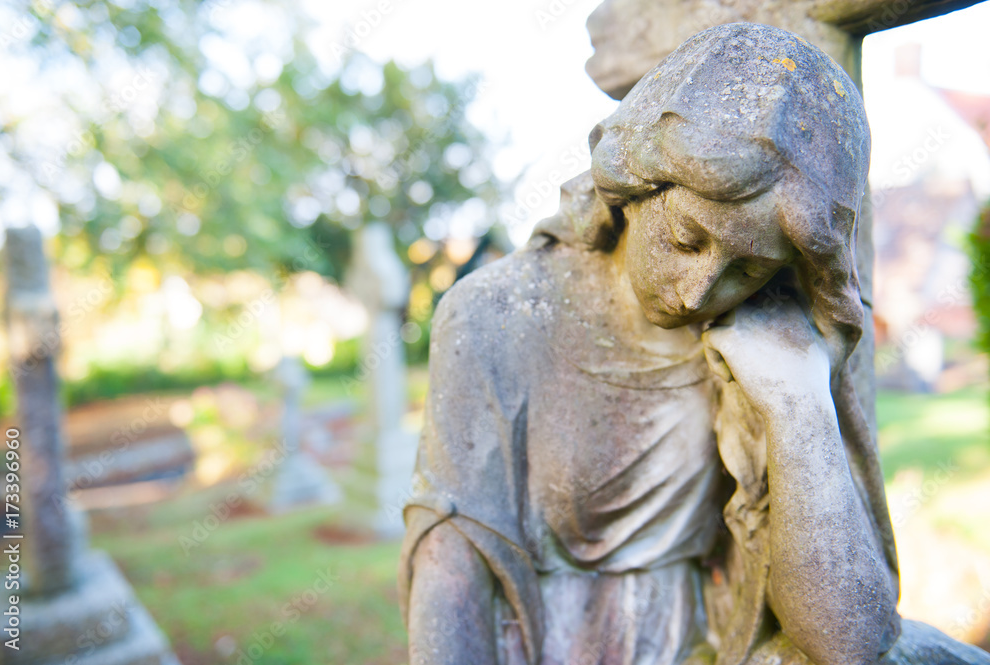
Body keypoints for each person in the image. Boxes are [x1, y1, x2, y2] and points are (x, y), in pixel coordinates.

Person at [398, 23, 990, 665]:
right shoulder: (495, 316)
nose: (700, 289)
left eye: (749, 267)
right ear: (634, 184)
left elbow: (849, 640)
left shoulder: (773, 330)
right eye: (686, 240)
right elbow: (451, 569)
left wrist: (797, 406)